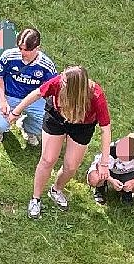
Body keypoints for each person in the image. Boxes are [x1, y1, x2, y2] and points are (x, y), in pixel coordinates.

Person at [6, 66, 112, 218]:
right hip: (56, 118)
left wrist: (104, 163)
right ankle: (35, 198)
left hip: (82, 126)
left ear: (76, 87)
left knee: (71, 166)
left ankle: (56, 189)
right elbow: (37, 93)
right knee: (47, 159)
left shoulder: (95, 95)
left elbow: (105, 129)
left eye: (65, 82)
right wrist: (16, 112)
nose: (61, 81)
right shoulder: (58, 82)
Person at [0, 28, 56, 145]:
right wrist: (3, 101)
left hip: (33, 99)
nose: (22, 53)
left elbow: (51, 89)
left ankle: (29, 129)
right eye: (20, 48)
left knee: (46, 123)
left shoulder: (47, 66)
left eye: (27, 50)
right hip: (8, 94)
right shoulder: (9, 56)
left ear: (37, 48)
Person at [86, 133, 134, 205]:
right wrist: (112, 180)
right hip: (109, 171)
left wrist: (133, 183)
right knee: (94, 178)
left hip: (129, 173)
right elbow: (101, 167)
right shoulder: (113, 149)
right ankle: (100, 187)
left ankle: (127, 192)